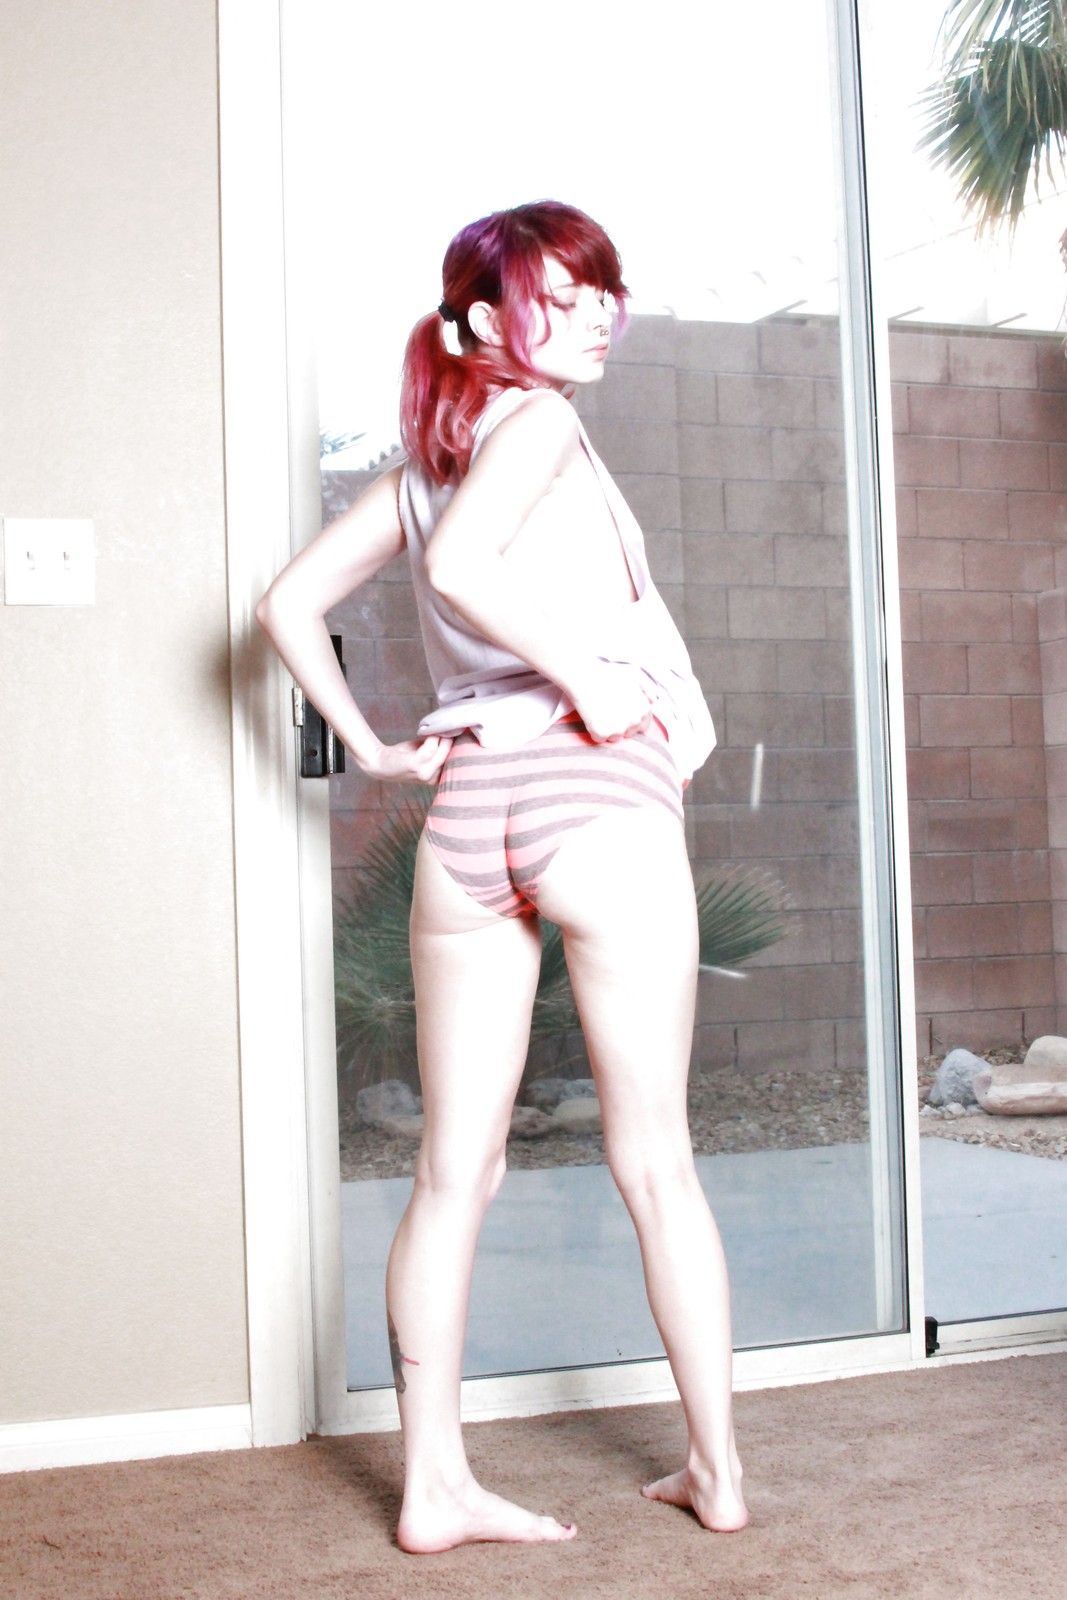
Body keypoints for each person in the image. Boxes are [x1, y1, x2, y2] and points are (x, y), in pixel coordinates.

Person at [256, 200, 748, 1553]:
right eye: (560, 294)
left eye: (603, 291)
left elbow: (286, 605)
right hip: (595, 789)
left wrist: (374, 749)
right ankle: (718, 1473)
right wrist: (590, 676)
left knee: (450, 1175)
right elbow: (472, 568)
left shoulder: (424, 466)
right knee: (657, 1163)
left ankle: (433, 1487)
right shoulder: (536, 425)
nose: (597, 316)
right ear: (483, 321)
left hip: (471, 812)